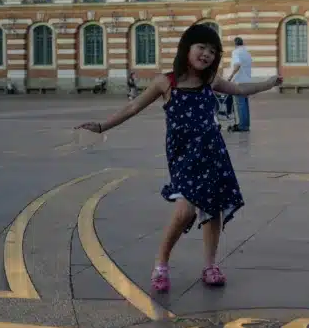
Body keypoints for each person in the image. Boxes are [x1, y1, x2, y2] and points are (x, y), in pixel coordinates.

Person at [74, 23, 282, 291]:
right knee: (185, 210)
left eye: (212, 51)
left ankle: (210, 265)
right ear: (187, 48)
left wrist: (269, 83)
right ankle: (161, 263)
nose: (206, 54)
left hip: (213, 152)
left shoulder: (211, 81)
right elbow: (134, 106)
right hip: (184, 155)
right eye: (201, 47)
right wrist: (102, 126)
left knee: (214, 208)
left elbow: (240, 91)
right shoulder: (166, 82)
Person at [228, 37, 254, 132]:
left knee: (240, 104)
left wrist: (230, 77)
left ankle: (242, 126)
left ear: (235, 44)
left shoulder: (236, 52)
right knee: (245, 103)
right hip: (247, 81)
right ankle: (246, 124)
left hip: (239, 81)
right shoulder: (247, 53)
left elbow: (237, 65)